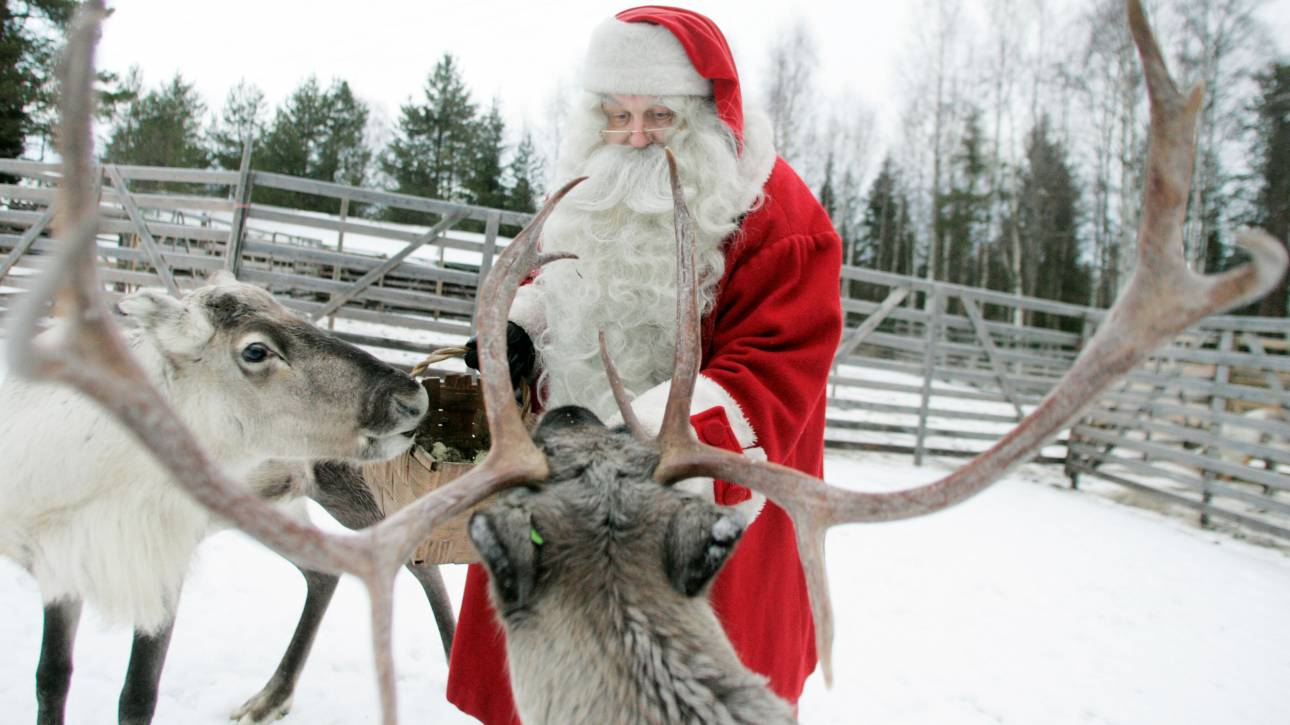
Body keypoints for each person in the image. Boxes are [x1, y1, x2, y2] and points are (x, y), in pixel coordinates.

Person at [450, 6, 842, 722]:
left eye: (657, 115)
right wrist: (522, 329)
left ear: (704, 114)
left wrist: (636, 445)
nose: (632, 137)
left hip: (687, 521)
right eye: (615, 114)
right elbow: (562, 278)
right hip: (565, 498)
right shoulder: (592, 181)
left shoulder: (781, 221)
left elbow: (772, 375)